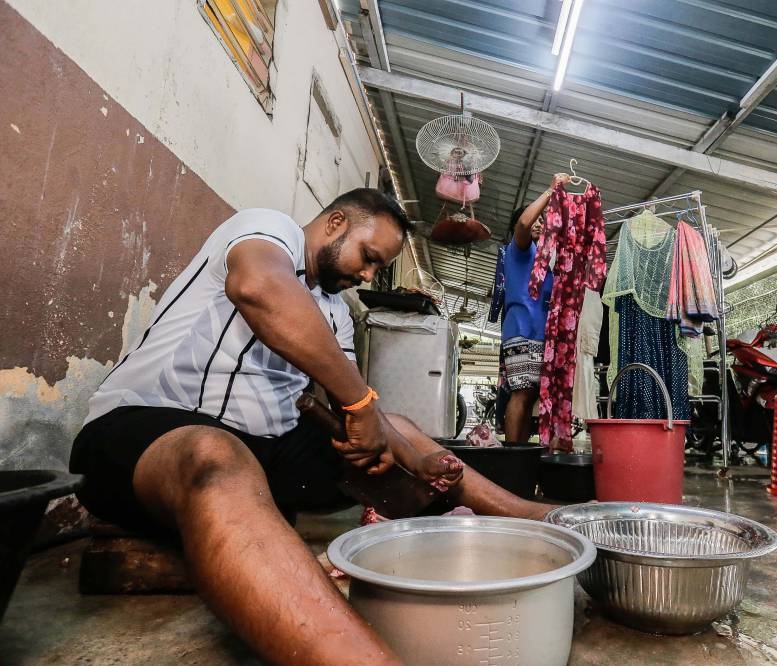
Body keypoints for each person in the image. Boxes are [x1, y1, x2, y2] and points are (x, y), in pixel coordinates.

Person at [69, 188, 553, 666]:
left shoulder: (337, 313)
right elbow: (257, 287)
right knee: (213, 452)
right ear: (336, 223)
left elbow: (350, 408)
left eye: (377, 268)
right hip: (144, 433)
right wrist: (360, 403)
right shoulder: (265, 228)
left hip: (265, 452)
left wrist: (412, 456)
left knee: (400, 426)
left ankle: (539, 518)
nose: (366, 274)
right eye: (367, 257)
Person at [496, 173, 570, 444]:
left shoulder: (544, 262)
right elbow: (526, 221)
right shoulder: (519, 251)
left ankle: (522, 454)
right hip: (521, 330)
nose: (537, 224)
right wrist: (551, 190)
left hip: (540, 336)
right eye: (534, 221)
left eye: (542, 221)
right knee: (522, 393)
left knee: (531, 397)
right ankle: (514, 454)